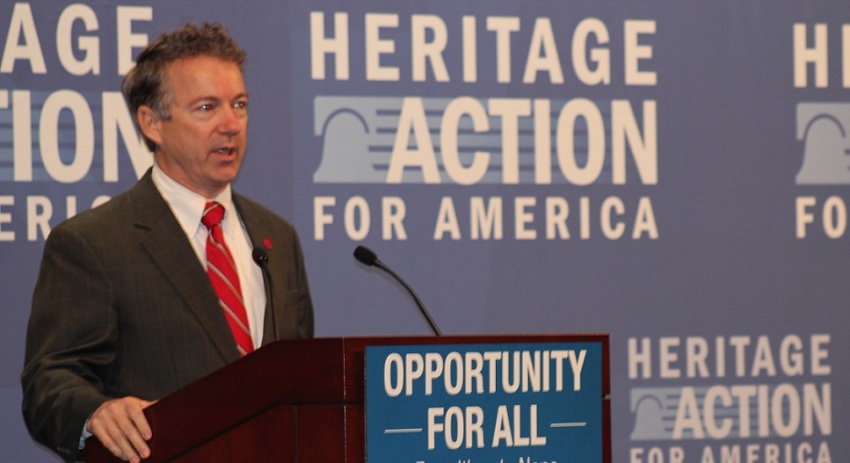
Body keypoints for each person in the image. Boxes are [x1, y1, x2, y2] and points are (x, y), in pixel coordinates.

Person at [21, 23, 314, 463]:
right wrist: (97, 412)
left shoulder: (277, 238)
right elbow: (50, 381)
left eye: (239, 104)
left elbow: (299, 376)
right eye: (206, 107)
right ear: (152, 123)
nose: (231, 124)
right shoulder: (92, 243)